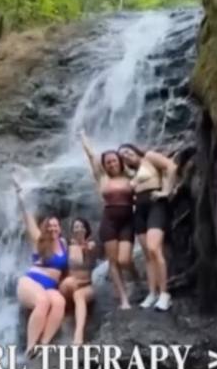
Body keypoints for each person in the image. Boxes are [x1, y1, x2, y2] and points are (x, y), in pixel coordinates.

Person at [118, 143, 178, 311]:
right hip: (139, 209)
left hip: (156, 205)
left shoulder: (149, 157)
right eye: (122, 156)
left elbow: (171, 166)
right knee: (147, 254)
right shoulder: (129, 172)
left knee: (154, 248)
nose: (126, 155)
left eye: (127, 151)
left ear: (134, 149)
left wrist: (167, 191)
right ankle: (152, 293)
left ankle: (165, 294)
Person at [79, 131, 134, 309]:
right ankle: (123, 298)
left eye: (114, 160)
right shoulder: (102, 178)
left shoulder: (130, 176)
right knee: (113, 261)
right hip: (109, 221)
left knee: (124, 259)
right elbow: (91, 156)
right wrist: (83, 138)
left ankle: (136, 278)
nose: (112, 164)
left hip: (127, 220)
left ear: (120, 161)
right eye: (108, 162)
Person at [13, 176, 67, 355]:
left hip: (51, 286)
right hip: (31, 282)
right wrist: (20, 196)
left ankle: (44, 344)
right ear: (45, 228)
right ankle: (31, 347)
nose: (52, 229)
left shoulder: (64, 244)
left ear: (60, 228)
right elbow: (27, 219)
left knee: (59, 302)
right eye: (49, 226)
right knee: (42, 302)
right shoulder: (40, 241)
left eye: (55, 226)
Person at [59, 218, 97, 346]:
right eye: (76, 227)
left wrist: (87, 248)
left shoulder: (91, 246)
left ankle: (78, 335)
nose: (79, 229)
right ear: (72, 231)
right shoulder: (67, 247)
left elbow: (91, 252)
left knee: (79, 294)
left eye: (81, 226)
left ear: (86, 230)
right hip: (69, 286)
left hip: (86, 286)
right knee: (69, 282)